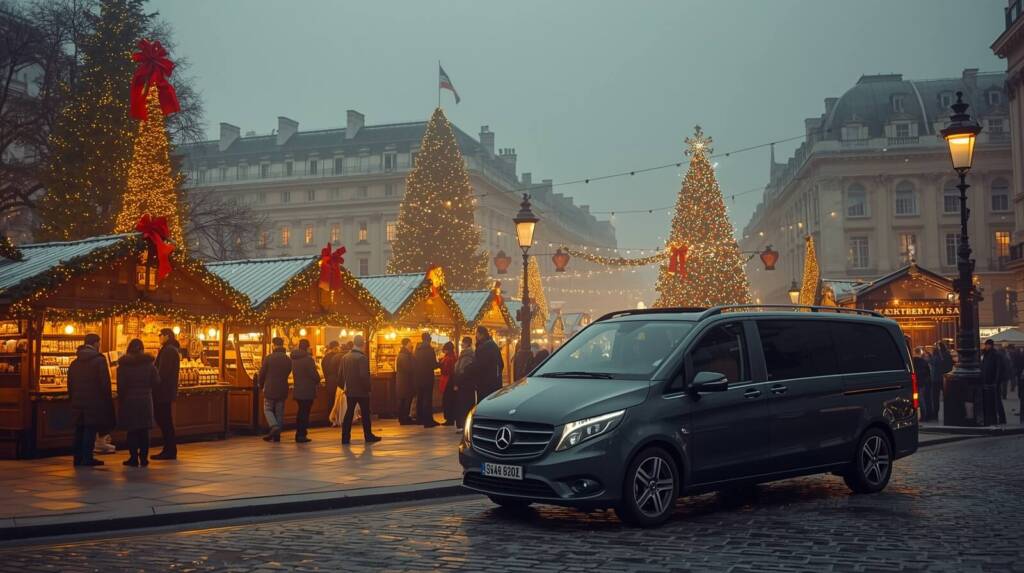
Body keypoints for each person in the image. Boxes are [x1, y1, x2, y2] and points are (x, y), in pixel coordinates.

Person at [67, 333, 115, 467]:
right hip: (94, 402)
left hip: (77, 401)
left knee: (79, 430)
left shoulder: (75, 362)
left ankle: (77, 458)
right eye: (99, 343)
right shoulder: (99, 360)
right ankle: (87, 458)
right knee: (90, 429)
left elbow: (70, 384)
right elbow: (105, 383)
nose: (99, 345)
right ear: (95, 343)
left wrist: (73, 398)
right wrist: (106, 400)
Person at [117, 338, 159, 467]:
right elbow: (156, 381)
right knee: (144, 431)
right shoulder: (149, 365)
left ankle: (133, 457)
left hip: (129, 400)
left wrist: (122, 399)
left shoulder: (123, 366)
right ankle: (144, 458)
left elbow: (121, 386)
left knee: (132, 431)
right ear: (142, 349)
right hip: (145, 400)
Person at [340, 335, 381, 445]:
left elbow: (340, 375)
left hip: (350, 390)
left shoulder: (345, 357)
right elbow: (364, 376)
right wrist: (368, 388)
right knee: (365, 413)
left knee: (349, 412)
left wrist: (345, 387)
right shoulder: (362, 358)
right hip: (361, 391)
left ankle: (345, 437)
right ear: (362, 344)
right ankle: (368, 435)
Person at [152, 328, 180, 461]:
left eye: (160, 335)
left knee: (164, 420)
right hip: (166, 391)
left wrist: (154, 380)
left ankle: (169, 449)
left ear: (167, 336)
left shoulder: (168, 351)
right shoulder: (171, 349)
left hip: (163, 391)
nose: (159, 337)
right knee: (165, 420)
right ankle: (169, 449)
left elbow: (162, 372)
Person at [257, 337, 292, 442]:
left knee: (267, 409)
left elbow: (262, 373)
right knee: (279, 412)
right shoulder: (287, 359)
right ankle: (277, 436)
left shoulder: (269, 358)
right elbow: (288, 372)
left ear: (273, 345)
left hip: (270, 388)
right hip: (282, 388)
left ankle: (274, 426)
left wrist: (261, 384)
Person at [291, 339, 321, 443]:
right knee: (305, 412)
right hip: (307, 390)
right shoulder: (308, 360)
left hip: (298, 389)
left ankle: (298, 433)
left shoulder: (294, 359)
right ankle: (302, 434)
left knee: (300, 412)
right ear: (307, 347)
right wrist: (318, 379)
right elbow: (314, 374)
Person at [414, 332, 440, 427]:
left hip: (418, 378)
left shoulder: (417, 350)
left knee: (420, 398)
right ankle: (428, 421)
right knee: (427, 399)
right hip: (427, 377)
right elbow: (433, 365)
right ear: (429, 339)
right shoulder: (429, 350)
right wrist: (440, 363)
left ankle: (419, 419)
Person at [451, 336, 476, 431]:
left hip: (465, 385)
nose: (461, 345)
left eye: (463, 343)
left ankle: (464, 425)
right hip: (466, 384)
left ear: (467, 344)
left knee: (464, 405)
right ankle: (464, 424)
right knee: (464, 404)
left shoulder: (467, 356)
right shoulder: (465, 355)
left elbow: (463, 371)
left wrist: (457, 382)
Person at [981, 339, 1007, 425]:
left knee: (997, 400)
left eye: (986, 345)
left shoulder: (995, 355)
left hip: (993, 382)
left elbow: (998, 369)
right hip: (988, 381)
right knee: (993, 401)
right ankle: (995, 418)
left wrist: (996, 381)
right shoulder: (986, 354)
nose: (985, 346)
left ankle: (1002, 418)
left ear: (990, 345)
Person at [474, 326, 504, 399]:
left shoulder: (485, 347)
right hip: (494, 383)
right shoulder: (492, 345)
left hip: (485, 384)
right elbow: (501, 364)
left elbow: (479, 366)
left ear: (481, 334)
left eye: (476, 333)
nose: (476, 335)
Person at [395, 338, 416, 425]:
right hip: (406, 381)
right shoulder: (405, 355)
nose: (411, 344)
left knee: (403, 400)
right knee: (405, 400)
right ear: (407, 343)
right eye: (410, 342)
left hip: (403, 381)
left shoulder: (403, 354)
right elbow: (409, 368)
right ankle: (404, 418)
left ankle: (403, 417)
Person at [322, 341, 343, 415]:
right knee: (337, 402)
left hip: (329, 382)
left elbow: (324, 371)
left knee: (330, 401)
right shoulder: (338, 357)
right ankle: (336, 418)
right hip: (337, 382)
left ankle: (329, 419)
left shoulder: (325, 358)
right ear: (336, 347)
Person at [439, 342, 457, 426]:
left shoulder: (449, 358)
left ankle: (449, 419)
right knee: (450, 400)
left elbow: (446, 370)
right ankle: (450, 418)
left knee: (447, 400)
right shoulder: (452, 356)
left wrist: (440, 365)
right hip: (449, 381)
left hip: (448, 381)